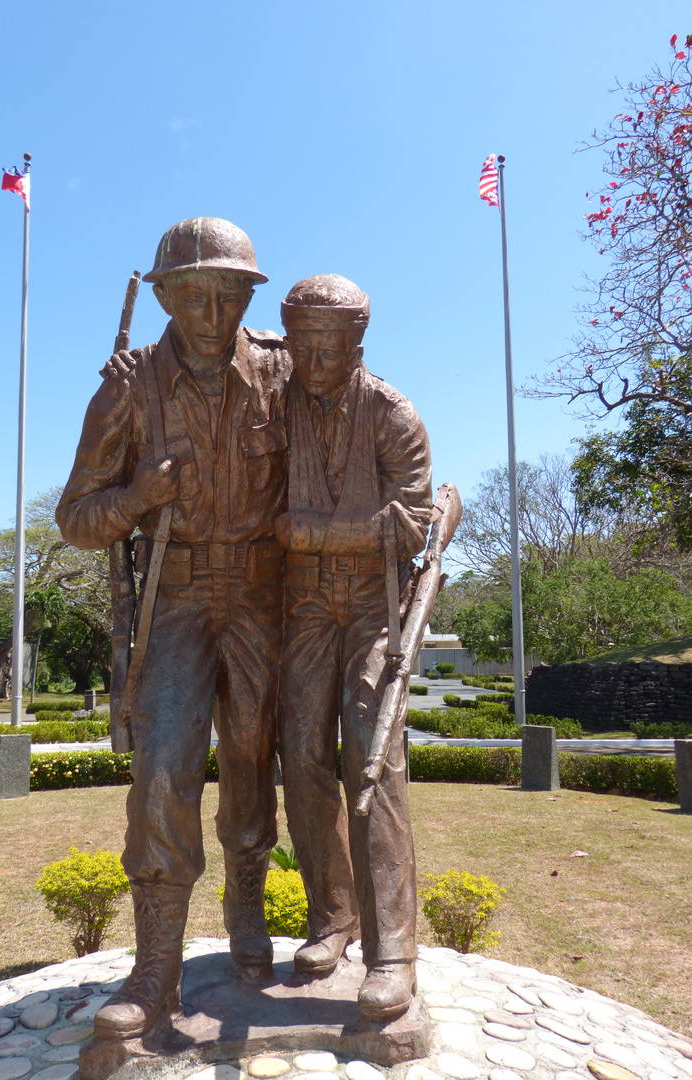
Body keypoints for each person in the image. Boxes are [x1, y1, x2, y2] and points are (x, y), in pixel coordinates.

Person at [56, 218, 291, 1040]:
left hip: (265, 594)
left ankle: (248, 908)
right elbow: (75, 518)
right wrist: (136, 500)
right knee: (162, 771)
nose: (213, 309)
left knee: (258, 758)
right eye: (195, 293)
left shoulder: (279, 371)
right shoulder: (127, 389)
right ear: (162, 295)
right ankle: (156, 966)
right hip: (178, 597)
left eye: (229, 292)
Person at [276, 274, 433, 1024]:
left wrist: (320, 533)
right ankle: (331, 917)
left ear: (357, 346)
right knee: (301, 755)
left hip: (374, 606)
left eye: (327, 346)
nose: (311, 359)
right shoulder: (279, 407)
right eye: (302, 344)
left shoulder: (393, 415)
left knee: (374, 762)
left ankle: (393, 951)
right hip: (304, 605)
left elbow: (414, 523)